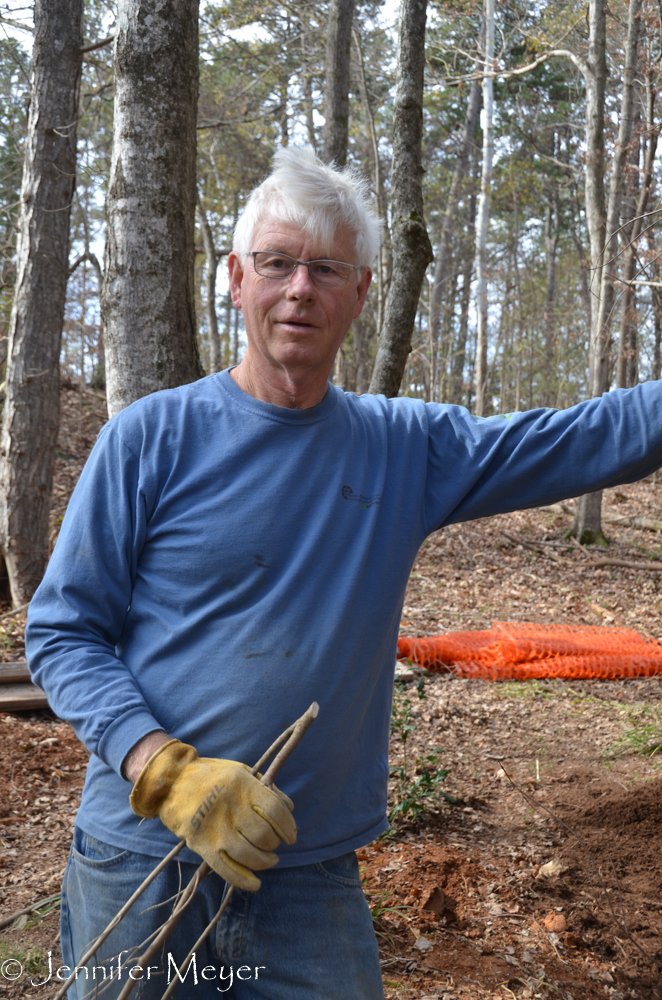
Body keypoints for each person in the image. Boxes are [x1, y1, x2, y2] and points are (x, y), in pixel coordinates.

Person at [26, 145, 662, 1000]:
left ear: (360, 293)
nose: (300, 288)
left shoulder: (407, 448)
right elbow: (64, 632)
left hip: (306, 872)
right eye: (278, 263)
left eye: (327, 268)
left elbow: (583, 436)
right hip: (146, 858)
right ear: (235, 277)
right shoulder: (150, 438)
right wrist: (162, 769)